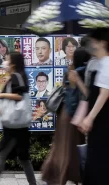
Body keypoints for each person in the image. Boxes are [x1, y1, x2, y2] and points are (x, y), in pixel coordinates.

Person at [0, 52, 37, 185]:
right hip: (19, 125)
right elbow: (7, 105)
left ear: (13, 64)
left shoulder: (16, 77)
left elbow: (19, 96)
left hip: (13, 126)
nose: (4, 62)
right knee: (24, 158)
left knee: (1, 155)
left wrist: (1, 94)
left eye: (7, 60)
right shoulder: (15, 77)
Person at [41, 48, 90, 185]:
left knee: (62, 147)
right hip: (75, 116)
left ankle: (58, 175)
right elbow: (86, 95)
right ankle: (65, 176)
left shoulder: (70, 71)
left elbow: (66, 91)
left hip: (65, 114)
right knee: (71, 149)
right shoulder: (83, 72)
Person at [78, 28, 109, 185]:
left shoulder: (107, 64)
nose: (91, 44)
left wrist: (89, 118)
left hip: (103, 123)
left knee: (99, 165)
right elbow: (92, 95)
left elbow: (104, 94)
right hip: (99, 124)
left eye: (94, 41)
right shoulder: (98, 63)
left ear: (102, 43)